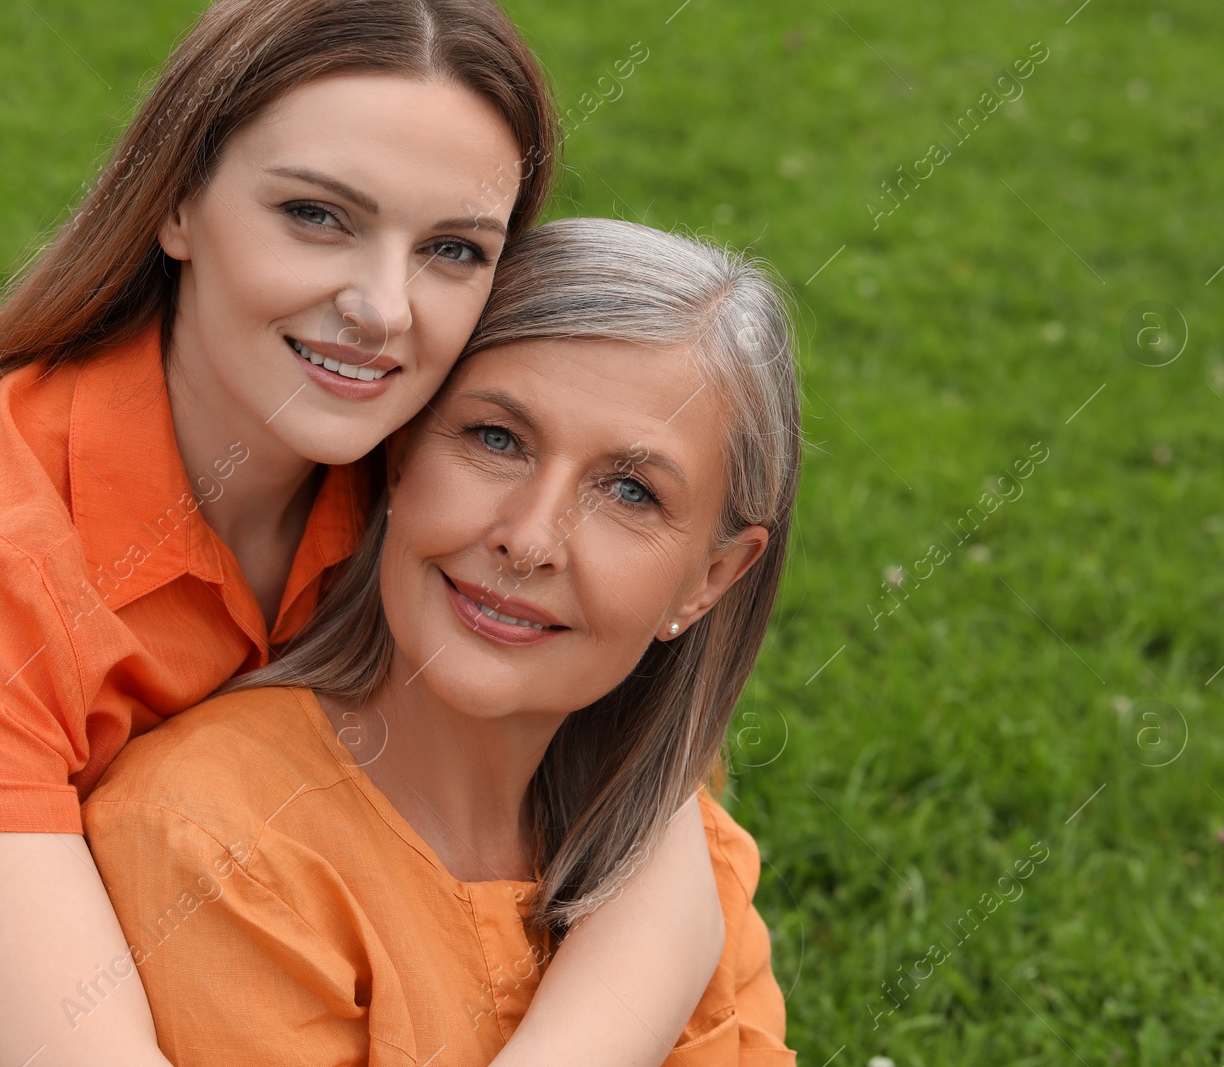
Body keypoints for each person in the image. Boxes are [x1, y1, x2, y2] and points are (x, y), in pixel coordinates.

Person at [0, 6, 731, 1065]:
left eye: (452, 248)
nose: (381, 308)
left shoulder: (433, 471)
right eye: (317, 215)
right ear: (177, 199)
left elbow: (645, 793)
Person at [83, 216, 802, 1065]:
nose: (530, 538)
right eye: (496, 439)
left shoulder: (683, 858)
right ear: (400, 455)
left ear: (711, 578)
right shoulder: (215, 843)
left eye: (630, 491)